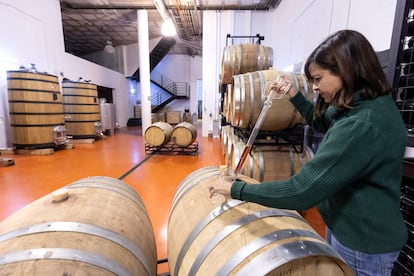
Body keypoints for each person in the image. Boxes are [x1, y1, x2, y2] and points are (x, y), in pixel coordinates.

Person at [210, 29, 408, 276]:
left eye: (318, 78)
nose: (314, 87)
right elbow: (322, 124)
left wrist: (235, 189)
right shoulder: (358, 105)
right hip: (347, 225)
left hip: (363, 242)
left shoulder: (362, 124)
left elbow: (300, 191)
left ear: (345, 71)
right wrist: (293, 94)